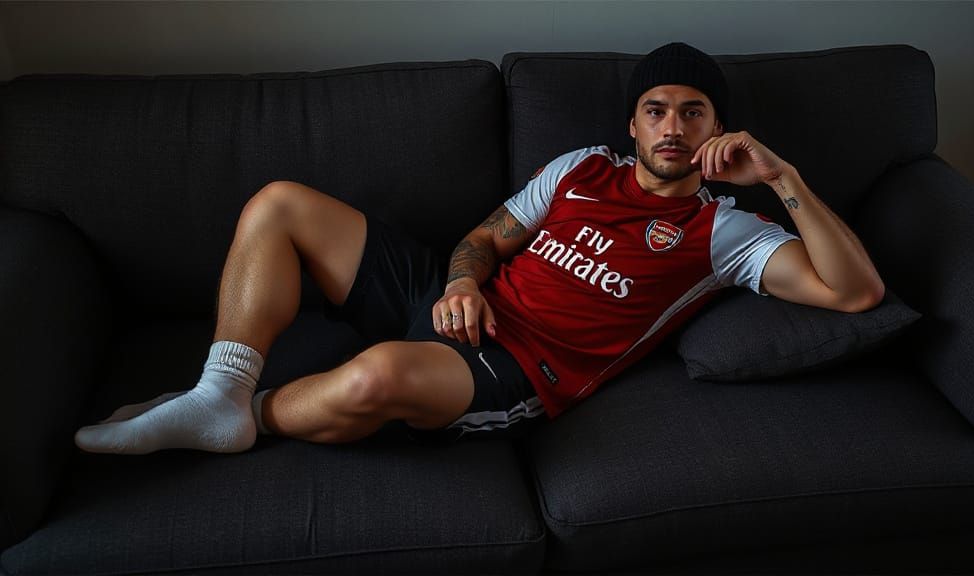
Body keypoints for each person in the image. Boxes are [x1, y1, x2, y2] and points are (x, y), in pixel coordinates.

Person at [75, 42, 884, 455]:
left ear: (718, 127)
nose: (673, 125)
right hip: (452, 296)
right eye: (656, 109)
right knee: (281, 203)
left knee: (379, 374)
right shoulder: (580, 169)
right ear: (633, 123)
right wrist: (462, 282)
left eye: (694, 111)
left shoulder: (725, 232)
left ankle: (241, 420)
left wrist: (783, 178)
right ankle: (217, 390)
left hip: (518, 363)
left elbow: (854, 295)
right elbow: (479, 239)